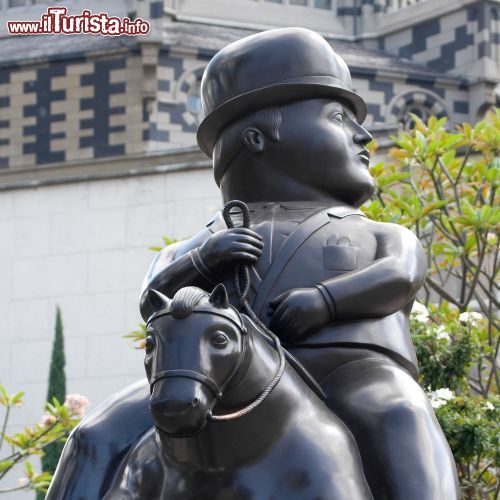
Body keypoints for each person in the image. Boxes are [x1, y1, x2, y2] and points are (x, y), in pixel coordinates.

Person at [47, 27, 459, 500]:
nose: (363, 135)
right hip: (217, 382)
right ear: (257, 137)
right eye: (338, 117)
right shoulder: (197, 242)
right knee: (94, 436)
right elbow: (154, 299)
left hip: (347, 368)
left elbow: (399, 276)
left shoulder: (378, 233)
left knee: (399, 414)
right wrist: (205, 258)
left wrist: (325, 301)